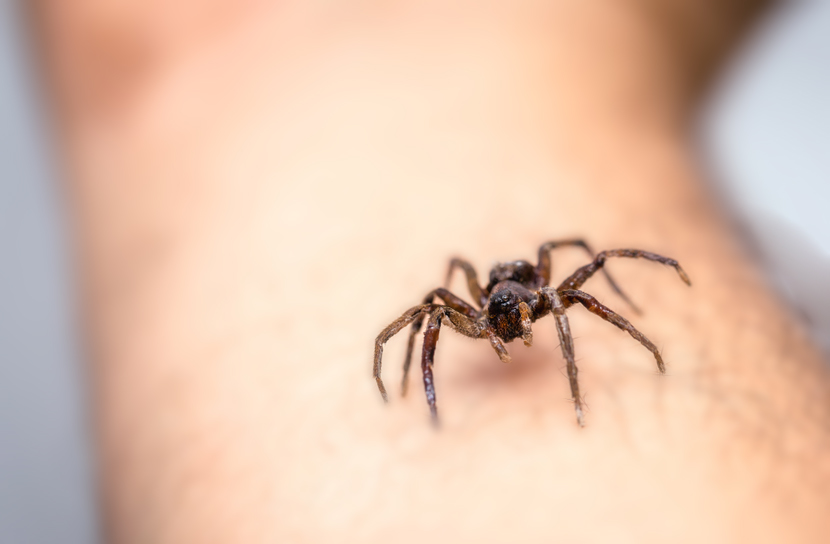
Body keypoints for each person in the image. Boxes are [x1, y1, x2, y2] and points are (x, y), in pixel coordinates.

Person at [34, 1, 830, 541]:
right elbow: (421, 312)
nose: (510, 323)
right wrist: (410, 371)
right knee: (425, 305)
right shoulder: (471, 307)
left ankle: (629, 355)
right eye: (503, 314)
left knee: (594, 264)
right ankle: (422, 396)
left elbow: (591, 260)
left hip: (526, 261)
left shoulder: (543, 296)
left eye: (516, 313)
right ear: (489, 306)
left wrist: (626, 344)